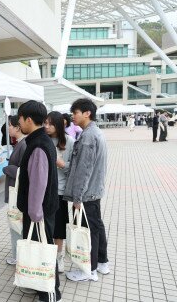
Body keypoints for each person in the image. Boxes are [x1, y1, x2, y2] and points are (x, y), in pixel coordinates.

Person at [16, 101, 61, 300]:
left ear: (28, 119)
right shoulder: (41, 140)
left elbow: (38, 183)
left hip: (39, 212)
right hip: (43, 210)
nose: (18, 123)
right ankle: (40, 285)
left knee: (44, 251)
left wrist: (34, 214)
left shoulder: (38, 145)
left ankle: (51, 293)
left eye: (19, 119)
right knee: (41, 248)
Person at [64, 98, 109, 283]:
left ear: (87, 113)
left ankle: (88, 270)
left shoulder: (88, 137)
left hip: (87, 193)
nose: (72, 117)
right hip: (94, 191)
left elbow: (84, 170)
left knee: (88, 231)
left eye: (75, 113)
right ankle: (101, 262)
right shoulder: (96, 132)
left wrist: (77, 198)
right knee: (96, 227)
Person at [44, 112, 74, 273]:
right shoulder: (43, 139)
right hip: (44, 190)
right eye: (45, 123)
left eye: (50, 124)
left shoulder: (69, 142)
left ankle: (59, 257)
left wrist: (61, 164)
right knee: (45, 226)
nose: (46, 126)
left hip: (60, 191)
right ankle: (47, 256)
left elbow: (75, 168)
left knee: (59, 228)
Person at [2, 115, 27, 266]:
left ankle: (19, 256)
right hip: (15, 191)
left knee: (16, 224)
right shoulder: (20, 144)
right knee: (16, 224)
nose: (8, 128)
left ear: (18, 127)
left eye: (10, 125)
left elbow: (24, 172)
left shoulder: (23, 145)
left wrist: (8, 168)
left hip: (17, 192)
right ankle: (18, 254)